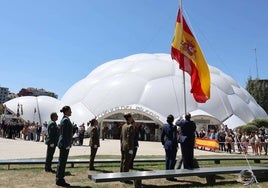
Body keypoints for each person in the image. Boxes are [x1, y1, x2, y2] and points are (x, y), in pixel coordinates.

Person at [56, 106, 73, 187]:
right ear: (66, 112)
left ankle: (60, 178)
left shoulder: (65, 119)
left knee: (62, 161)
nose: (71, 112)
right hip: (64, 144)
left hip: (64, 143)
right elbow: (65, 134)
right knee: (62, 162)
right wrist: (67, 144)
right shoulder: (66, 120)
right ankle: (60, 179)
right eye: (70, 111)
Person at [161, 114, 178, 181]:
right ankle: (170, 176)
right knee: (172, 160)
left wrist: (163, 143)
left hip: (167, 144)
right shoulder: (174, 127)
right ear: (173, 120)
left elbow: (162, 136)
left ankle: (167, 174)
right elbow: (174, 137)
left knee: (167, 159)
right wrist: (176, 145)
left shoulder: (164, 126)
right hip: (172, 144)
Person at [120, 113, 134, 184]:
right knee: (126, 162)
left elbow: (121, 137)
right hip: (128, 146)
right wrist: (130, 148)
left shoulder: (123, 126)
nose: (132, 118)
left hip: (123, 146)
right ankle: (125, 178)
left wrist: (121, 145)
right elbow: (129, 138)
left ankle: (121, 176)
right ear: (129, 118)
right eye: (131, 117)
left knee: (123, 161)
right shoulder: (130, 126)